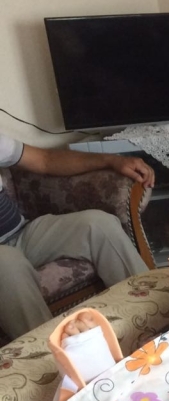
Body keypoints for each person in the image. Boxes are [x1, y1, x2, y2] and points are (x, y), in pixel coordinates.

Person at [0, 132, 154, 338]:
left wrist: (111, 160)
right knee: (7, 262)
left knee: (98, 224)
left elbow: (45, 160)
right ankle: (50, 353)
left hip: (21, 233)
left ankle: (154, 318)